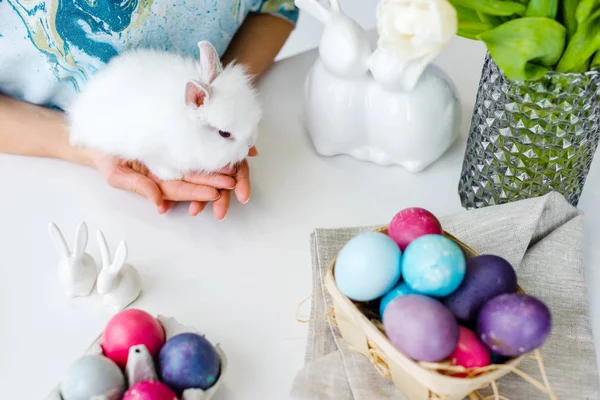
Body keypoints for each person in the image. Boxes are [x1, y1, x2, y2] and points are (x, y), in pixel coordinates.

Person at [0, 0, 298, 220]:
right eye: (224, 133)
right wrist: (88, 149)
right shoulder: (170, 125)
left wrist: (233, 101)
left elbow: (276, 7)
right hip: (39, 182)